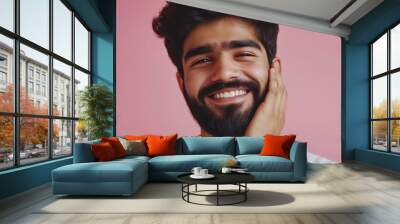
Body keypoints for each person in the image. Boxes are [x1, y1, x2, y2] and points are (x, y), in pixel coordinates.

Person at [152, 3, 287, 137]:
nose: (224, 74)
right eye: (202, 60)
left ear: (275, 71)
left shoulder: (305, 159)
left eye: (244, 54)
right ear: (182, 83)